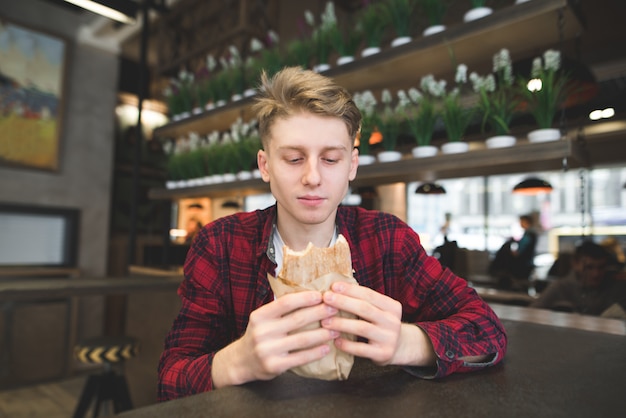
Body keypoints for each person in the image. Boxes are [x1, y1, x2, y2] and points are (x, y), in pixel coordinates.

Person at [157, 67, 507, 401]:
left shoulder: (388, 241)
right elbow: (170, 379)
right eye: (294, 159)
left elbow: (487, 330)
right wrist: (237, 361)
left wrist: (407, 343)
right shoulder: (220, 244)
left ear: (352, 165)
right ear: (265, 165)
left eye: (331, 159)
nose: (312, 177)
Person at [531, 240, 626, 316]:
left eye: (601, 267)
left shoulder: (615, 286)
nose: (596, 274)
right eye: (589, 267)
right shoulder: (561, 288)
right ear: (575, 264)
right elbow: (532, 315)